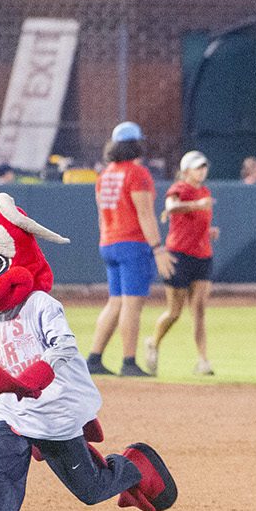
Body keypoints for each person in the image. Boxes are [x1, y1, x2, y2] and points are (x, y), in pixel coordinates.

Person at [0, 190, 176, 511]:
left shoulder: (40, 305)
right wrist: (6, 394)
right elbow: (4, 358)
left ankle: (134, 467)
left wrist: (36, 377)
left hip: (56, 414)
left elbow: (66, 348)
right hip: (14, 416)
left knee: (90, 490)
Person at [86, 122, 172, 377]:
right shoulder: (137, 174)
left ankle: (94, 358)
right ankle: (128, 361)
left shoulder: (105, 175)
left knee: (115, 302)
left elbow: (102, 215)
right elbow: (145, 215)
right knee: (132, 305)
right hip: (132, 244)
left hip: (109, 242)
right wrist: (158, 249)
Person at [143, 151, 218, 378]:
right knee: (174, 311)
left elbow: (195, 221)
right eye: (197, 167)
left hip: (202, 255)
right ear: (186, 171)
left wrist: (208, 231)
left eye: (203, 167)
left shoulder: (204, 191)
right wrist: (197, 205)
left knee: (199, 311)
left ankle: (203, 361)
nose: (202, 171)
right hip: (179, 256)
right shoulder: (180, 189)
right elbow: (172, 207)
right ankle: (153, 343)